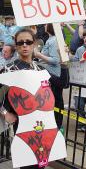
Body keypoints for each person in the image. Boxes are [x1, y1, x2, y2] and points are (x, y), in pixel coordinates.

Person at [0, 28, 66, 168]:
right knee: (29, 164)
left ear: (34, 44)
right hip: (23, 127)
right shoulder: (9, 69)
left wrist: (64, 62)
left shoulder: (40, 70)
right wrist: (5, 113)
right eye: (21, 43)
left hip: (44, 128)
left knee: (40, 165)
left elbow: (63, 83)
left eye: (28, 42)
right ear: (16, 46)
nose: (25, 45)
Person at [34, 23, 64, 129]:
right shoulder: (51, 39)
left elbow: (55, 60)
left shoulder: (53, 41)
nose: (44, 25)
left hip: (53, 76)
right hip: (49, 75)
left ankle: (56, 125)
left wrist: (39, 55)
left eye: (47, 24)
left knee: (55, 101)